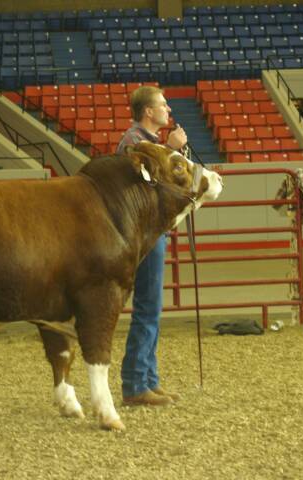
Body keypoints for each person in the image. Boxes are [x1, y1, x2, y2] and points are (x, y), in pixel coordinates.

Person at [117, 86, 187, 406]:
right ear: (148, 111)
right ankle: (135, 384)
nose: (167, 108)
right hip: (143, 232)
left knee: (151, 307)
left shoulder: (146, 141)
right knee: (147, 306)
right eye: (162, 104)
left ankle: (148, 378)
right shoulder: (134, 142)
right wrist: (170, 149)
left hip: (151, 230)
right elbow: (147, 185)